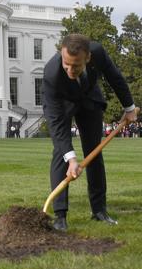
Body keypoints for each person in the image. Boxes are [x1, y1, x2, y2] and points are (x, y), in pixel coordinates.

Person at [43, 33, 137, 232]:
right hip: (63, 104)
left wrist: (129, 108)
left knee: (94, 152)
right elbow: (55, 121)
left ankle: (99, 210)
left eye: (75, 65)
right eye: (66, 64)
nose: (69, 69)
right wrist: (71, 159)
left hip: (89, 99)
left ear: (88, 58)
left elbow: (115, 78)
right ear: (62, 54)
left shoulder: (98, 53)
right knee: (61, 153)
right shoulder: (52, 73)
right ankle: (60, 216)